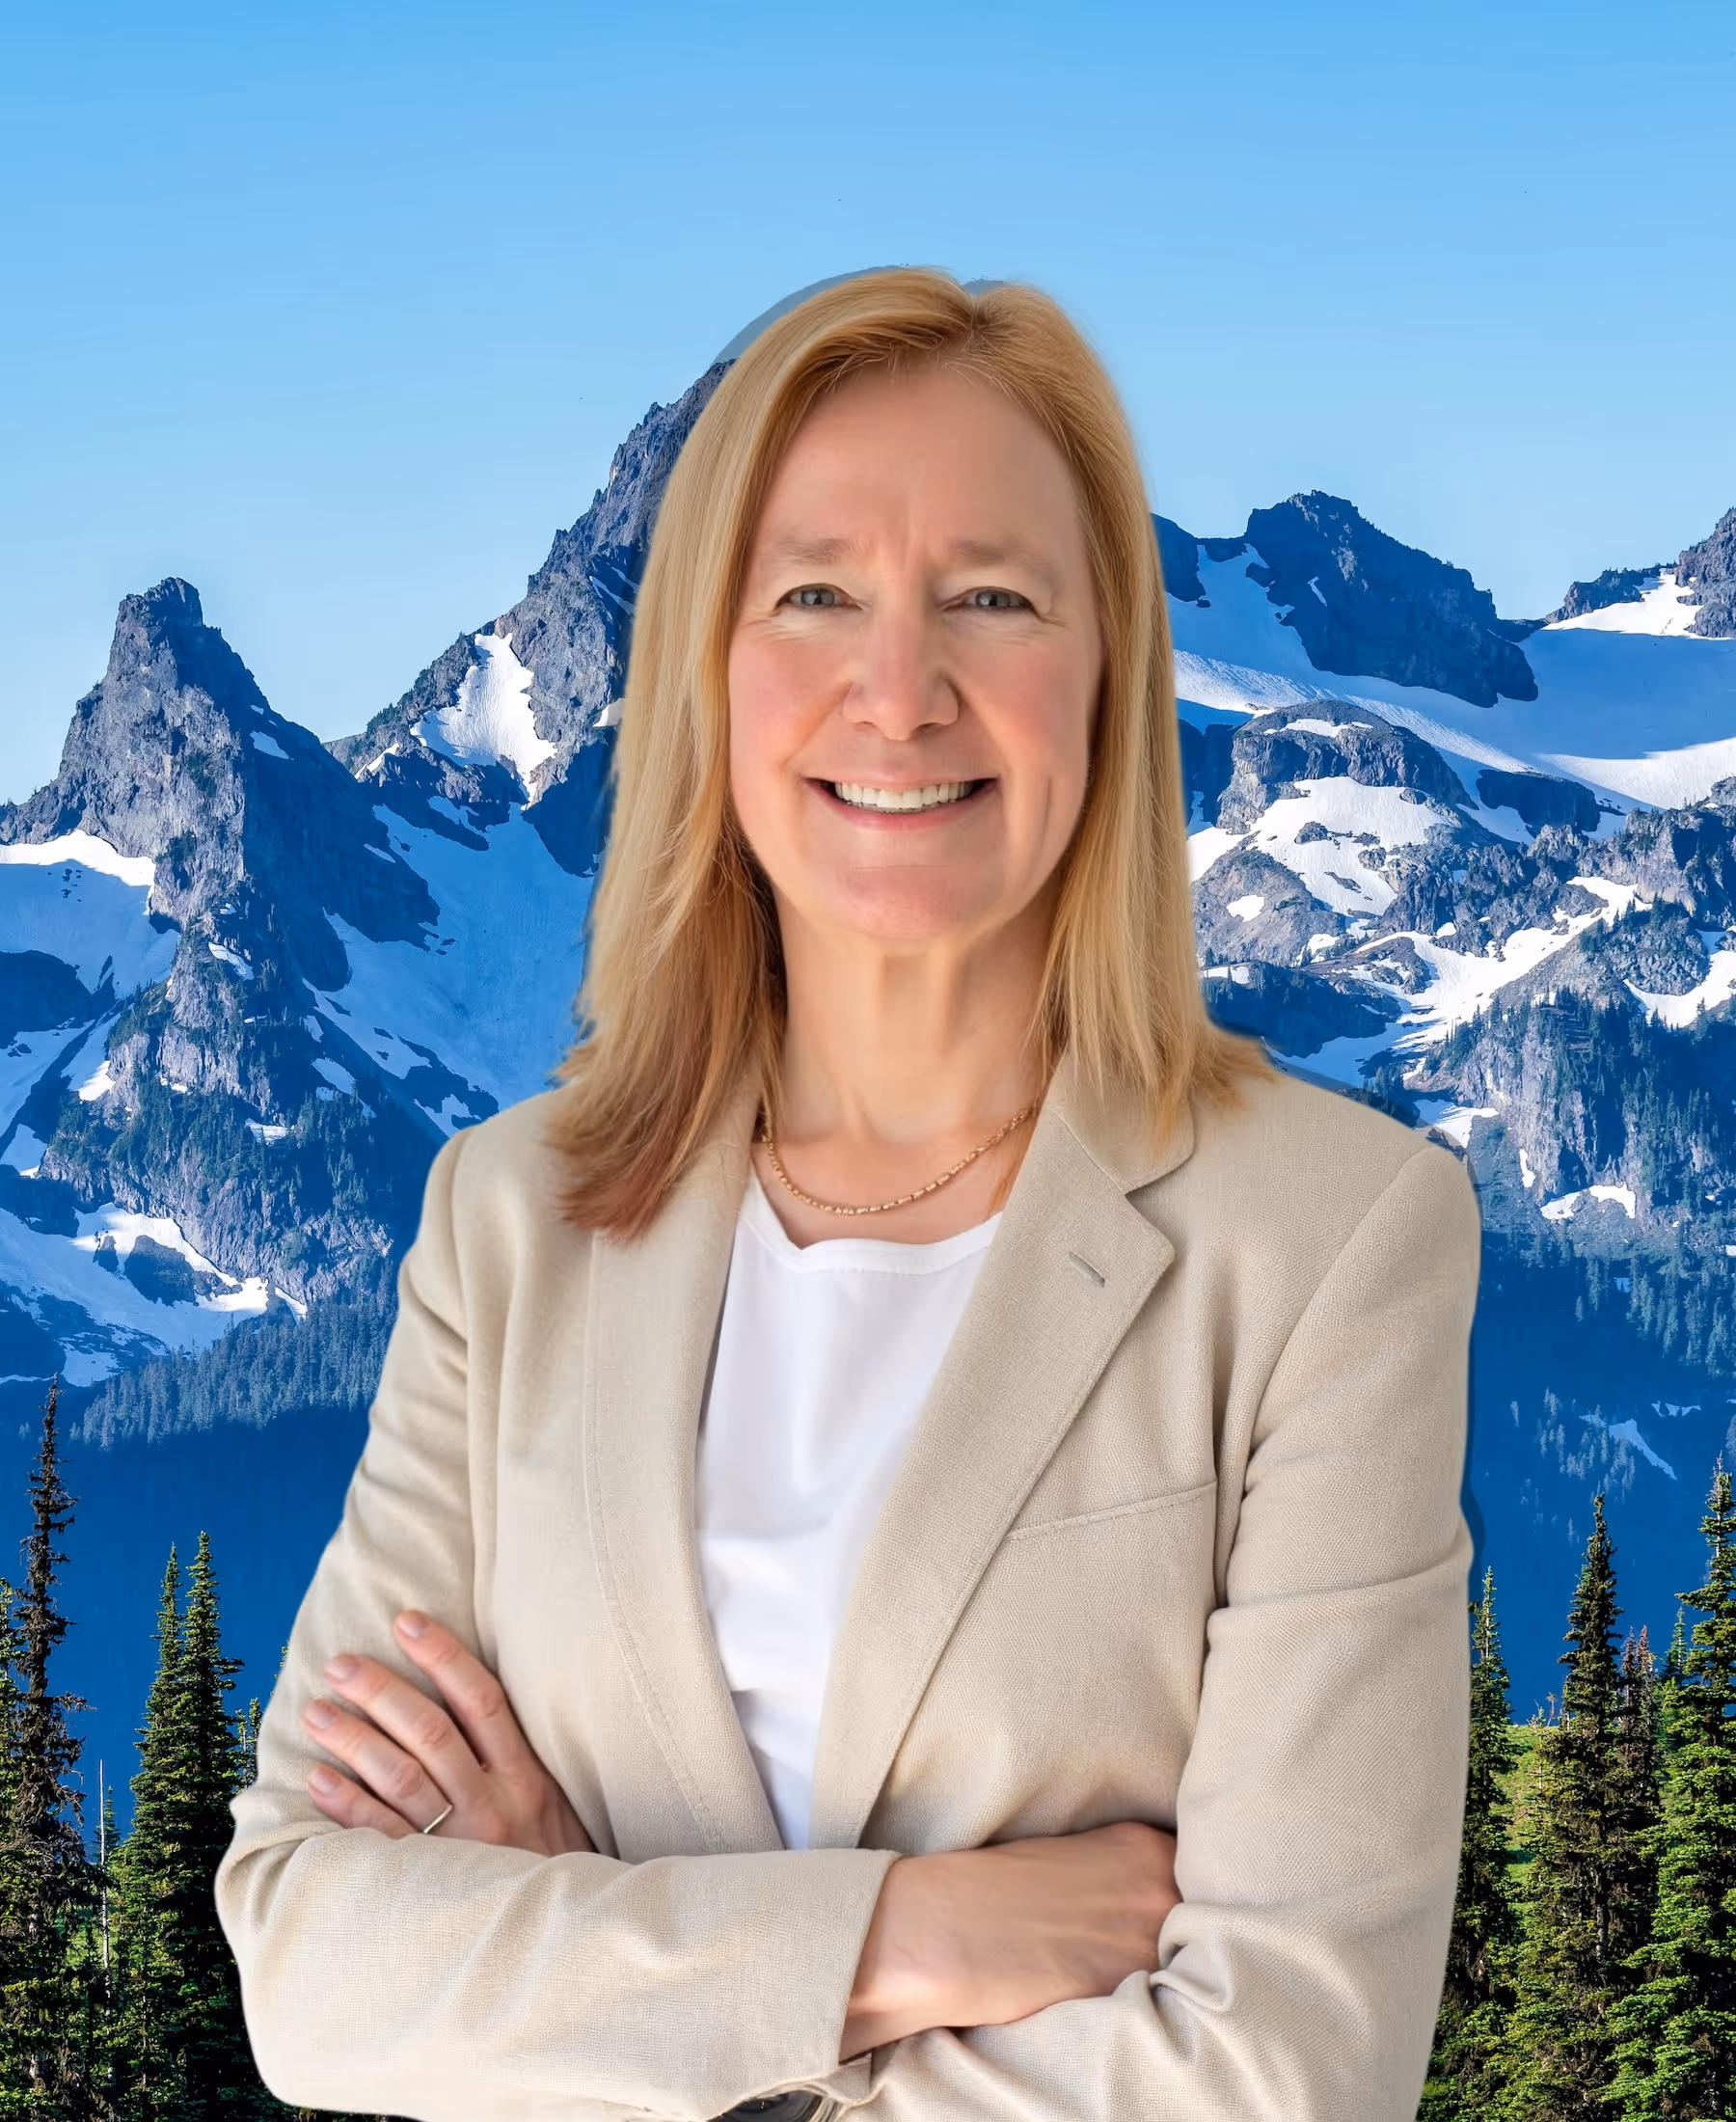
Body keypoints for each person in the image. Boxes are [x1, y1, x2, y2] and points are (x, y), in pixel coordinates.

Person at [216, 268, 1483, 2122]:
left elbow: (1291, 2072)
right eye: (814, 594)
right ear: (707, 674)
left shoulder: (1329, 1241)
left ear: (1109, 674)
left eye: (994, 597)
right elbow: (314, 1965)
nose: (900, 692)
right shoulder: (506, 1227)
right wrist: (908, 1938)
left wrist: (589, 1965)